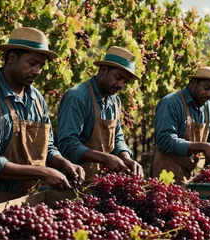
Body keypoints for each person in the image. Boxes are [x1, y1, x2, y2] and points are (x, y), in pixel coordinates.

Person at [0, 27, 85, 206]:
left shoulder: (36, 99)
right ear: (12, 58)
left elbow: (47, 147)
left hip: (30, 201)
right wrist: (43, 172)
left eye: (41, 66)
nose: (37, 71)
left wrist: (63, 162)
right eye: (32, 63)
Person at [57, 46, 144, 183]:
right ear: (103, 71)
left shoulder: (115, 101)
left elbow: (117, 138)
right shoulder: (77, 97)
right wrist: (106, 158)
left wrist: (126, 157)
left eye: (125, 81)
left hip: (102, 183)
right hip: (74, 182)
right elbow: (67, 144)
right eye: (118, 77)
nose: (121, 84)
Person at [152, 66, 210, 185]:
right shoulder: (171, 103)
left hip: (190, 170)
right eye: (206, 88)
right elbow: (165, 141)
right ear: (193, 83)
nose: (209, 94)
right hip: (167, 169)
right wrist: (203, 146)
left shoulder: (209, 108)